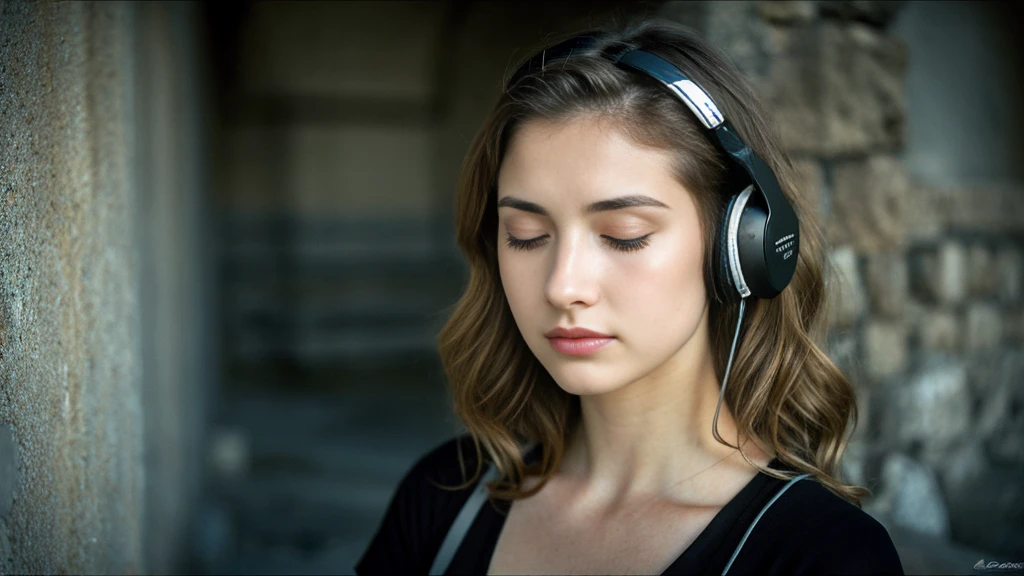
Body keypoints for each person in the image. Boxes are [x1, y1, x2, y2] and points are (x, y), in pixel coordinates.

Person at [355, 18, 904, 576]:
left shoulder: (823, 556)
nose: (562, 286)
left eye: (624, 235)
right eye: (526, 235)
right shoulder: (445, 500)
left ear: (742, 247)